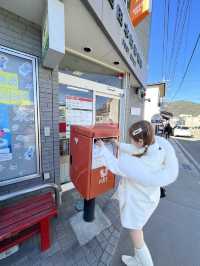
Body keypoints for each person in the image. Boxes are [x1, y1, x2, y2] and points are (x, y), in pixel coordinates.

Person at [96, 120, 179, 266]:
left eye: (132, 140)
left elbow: (115, 166)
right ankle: (136, 259)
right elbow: (137, 149)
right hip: (148, 197)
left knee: (136, 233)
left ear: (140, 141)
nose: (131, 143)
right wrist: (117, 145)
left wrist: (103, 148)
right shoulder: (155, 148)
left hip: (139, 203)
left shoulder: (136, 165)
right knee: (137, 230)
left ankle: (145, 263)